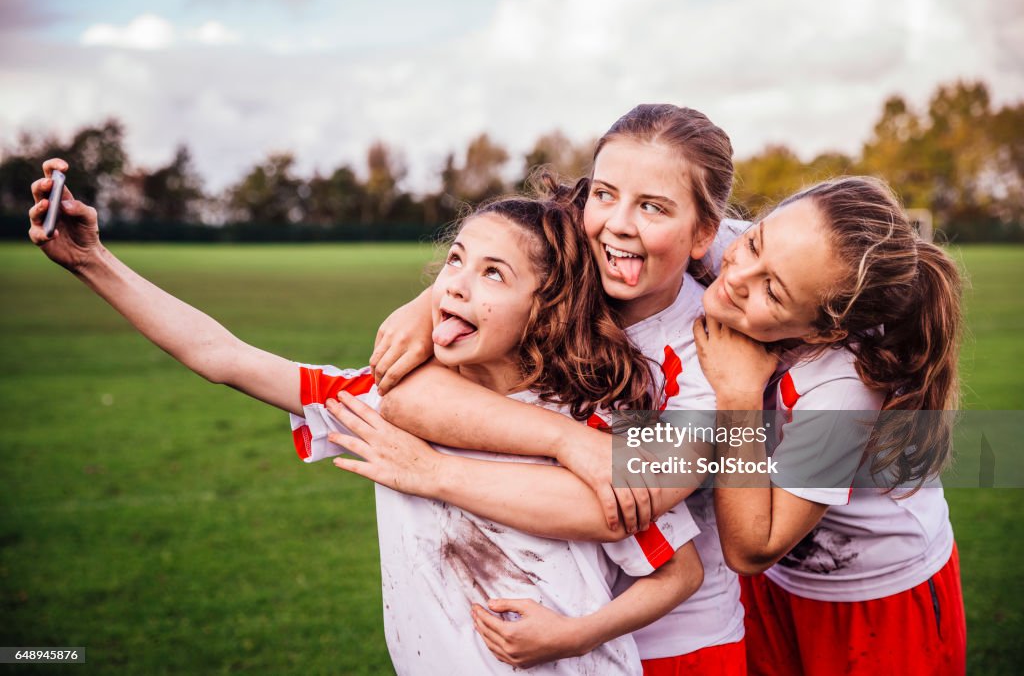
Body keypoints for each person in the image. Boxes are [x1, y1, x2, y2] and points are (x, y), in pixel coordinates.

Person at [27, 161, 705, 675]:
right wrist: (94, 262)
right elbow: (223, 356)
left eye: (494, 274)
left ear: (548, 307)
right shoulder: (384, 400)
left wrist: (572, 635)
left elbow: (680, 565)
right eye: (455, 263)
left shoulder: (604, 420)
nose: (458, 284)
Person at [330, 104, 749, 674]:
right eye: (604, 195)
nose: (618, 222)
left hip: (677, 643)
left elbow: (627, 499)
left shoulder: (716, 346)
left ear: (705, 232)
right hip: (538, 626)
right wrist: (425, 303)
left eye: (651, 207)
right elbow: (407, 390)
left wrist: (435, 473)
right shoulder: (571, 266)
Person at [694, 176, 966, 675]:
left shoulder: (845, 387)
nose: (736, 276)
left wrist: (739, 397)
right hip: (779, 581)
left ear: (827, 330)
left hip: (875, 595)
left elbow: (754, 548)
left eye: (771, 291)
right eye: (753, 240)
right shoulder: (762, 250)